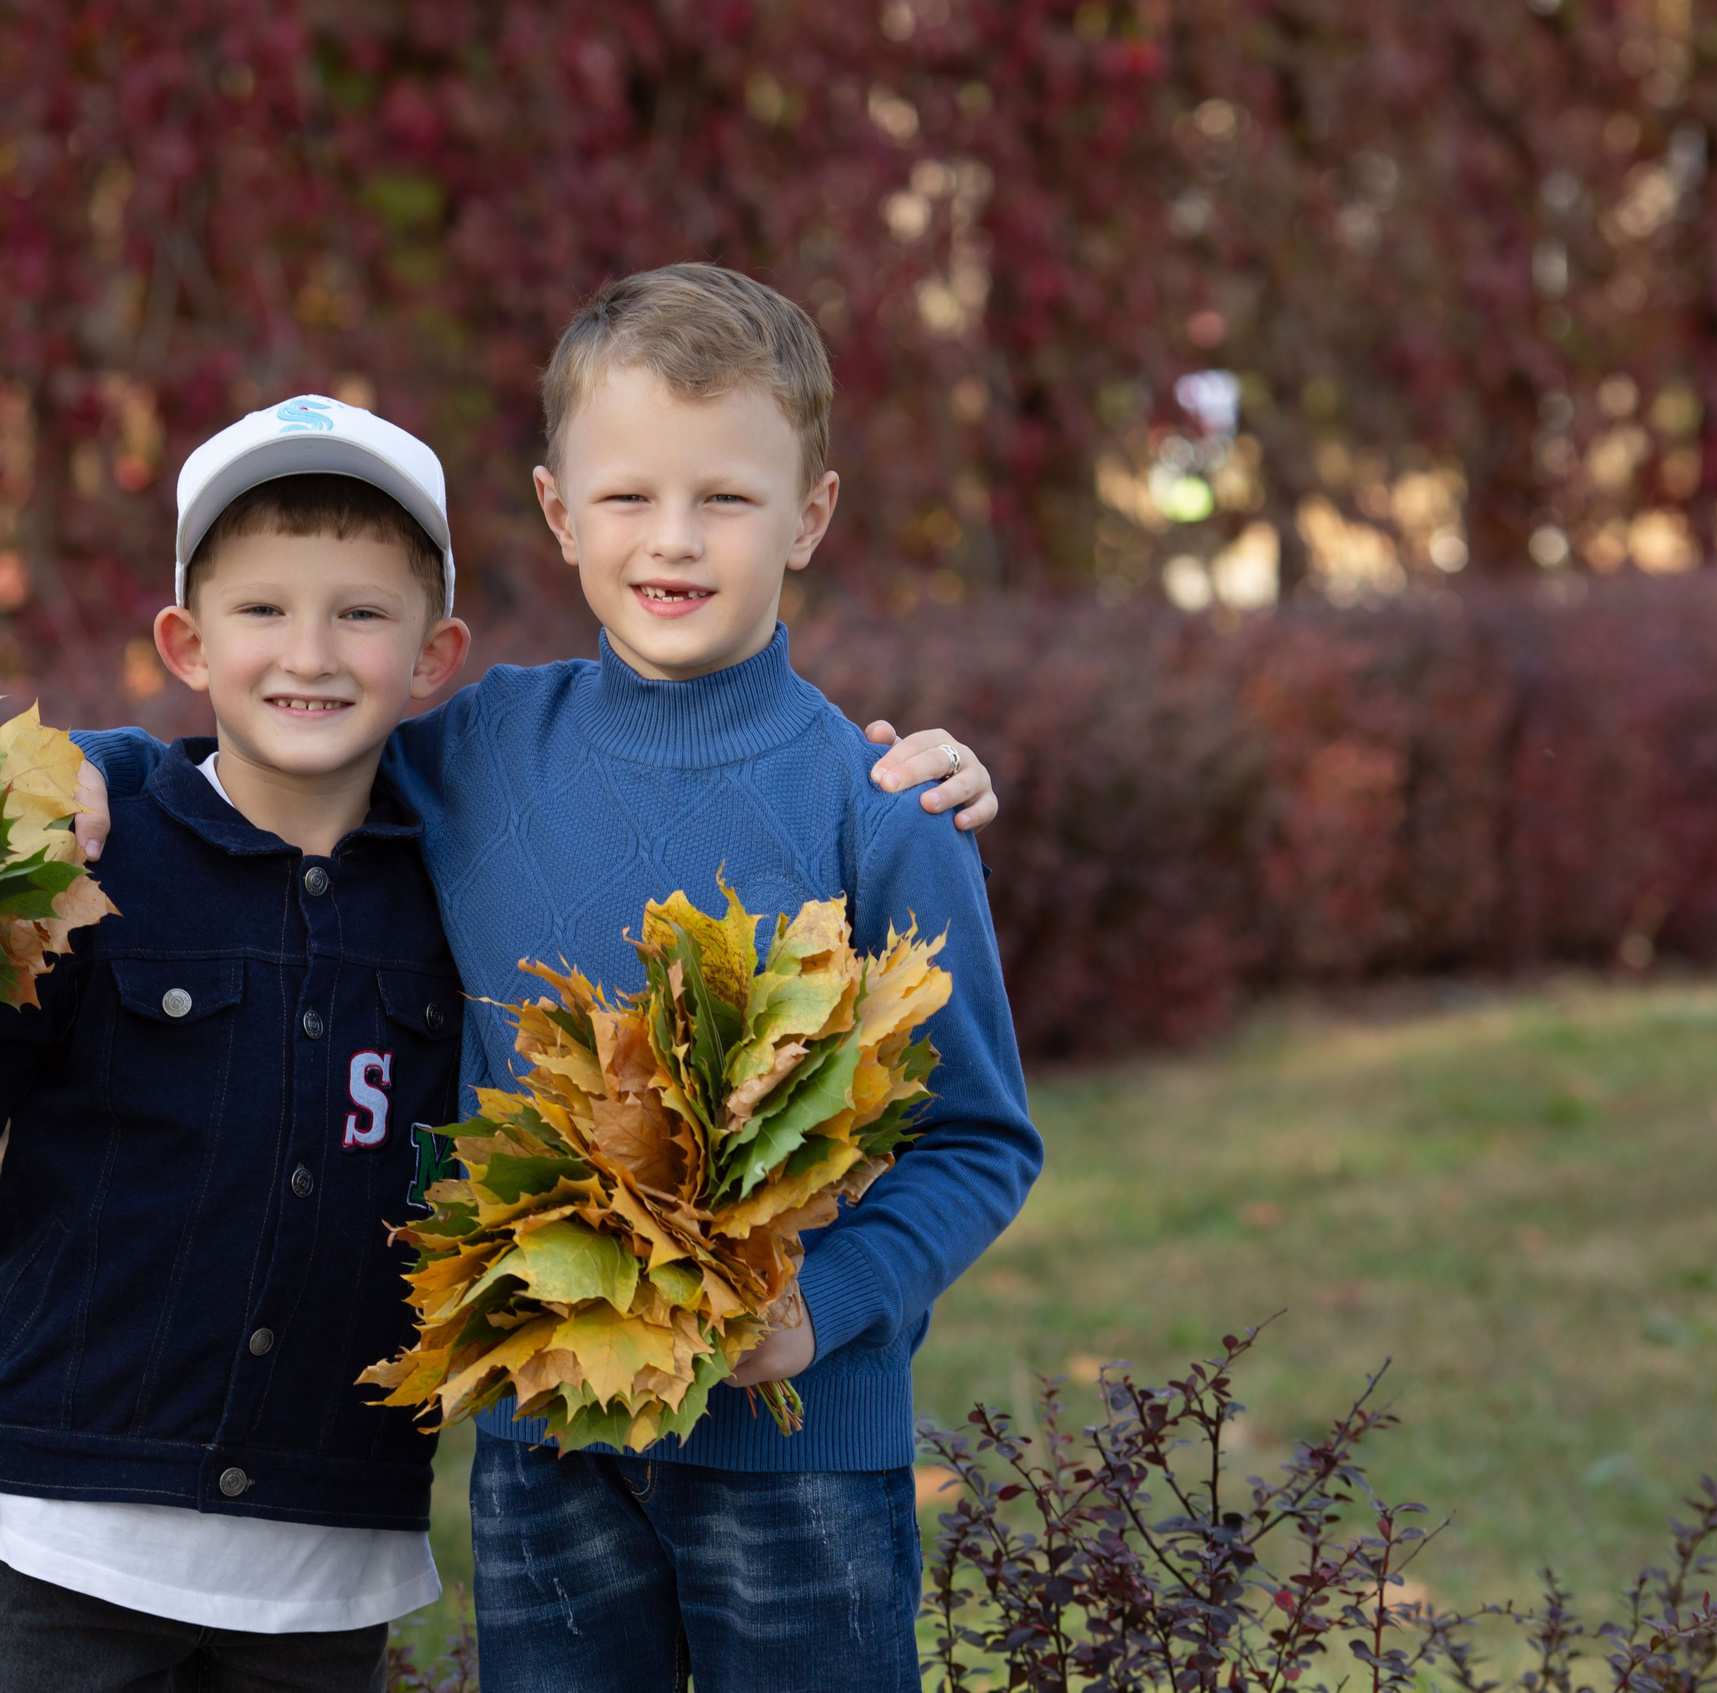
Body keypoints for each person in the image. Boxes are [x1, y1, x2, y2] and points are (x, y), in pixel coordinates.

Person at [73, 266, 1039, 1693]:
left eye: (726, 499)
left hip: (798, 1450)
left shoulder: (881, 806)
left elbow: (976, 1139)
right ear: (557, 512)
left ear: (811, 518)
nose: (674, 539)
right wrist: (94, 769)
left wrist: (824, 1307)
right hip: (547, 1440)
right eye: (631, 496)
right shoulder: (476, 754)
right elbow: (270, 751)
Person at [0, 399, 477, 1692]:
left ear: (434, 654)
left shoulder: (457, 886)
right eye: (262, 609)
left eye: (362, 612)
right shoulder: (85, 853)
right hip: (70, 1555)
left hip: (326, 1571)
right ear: (186, 642)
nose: (310, 651)